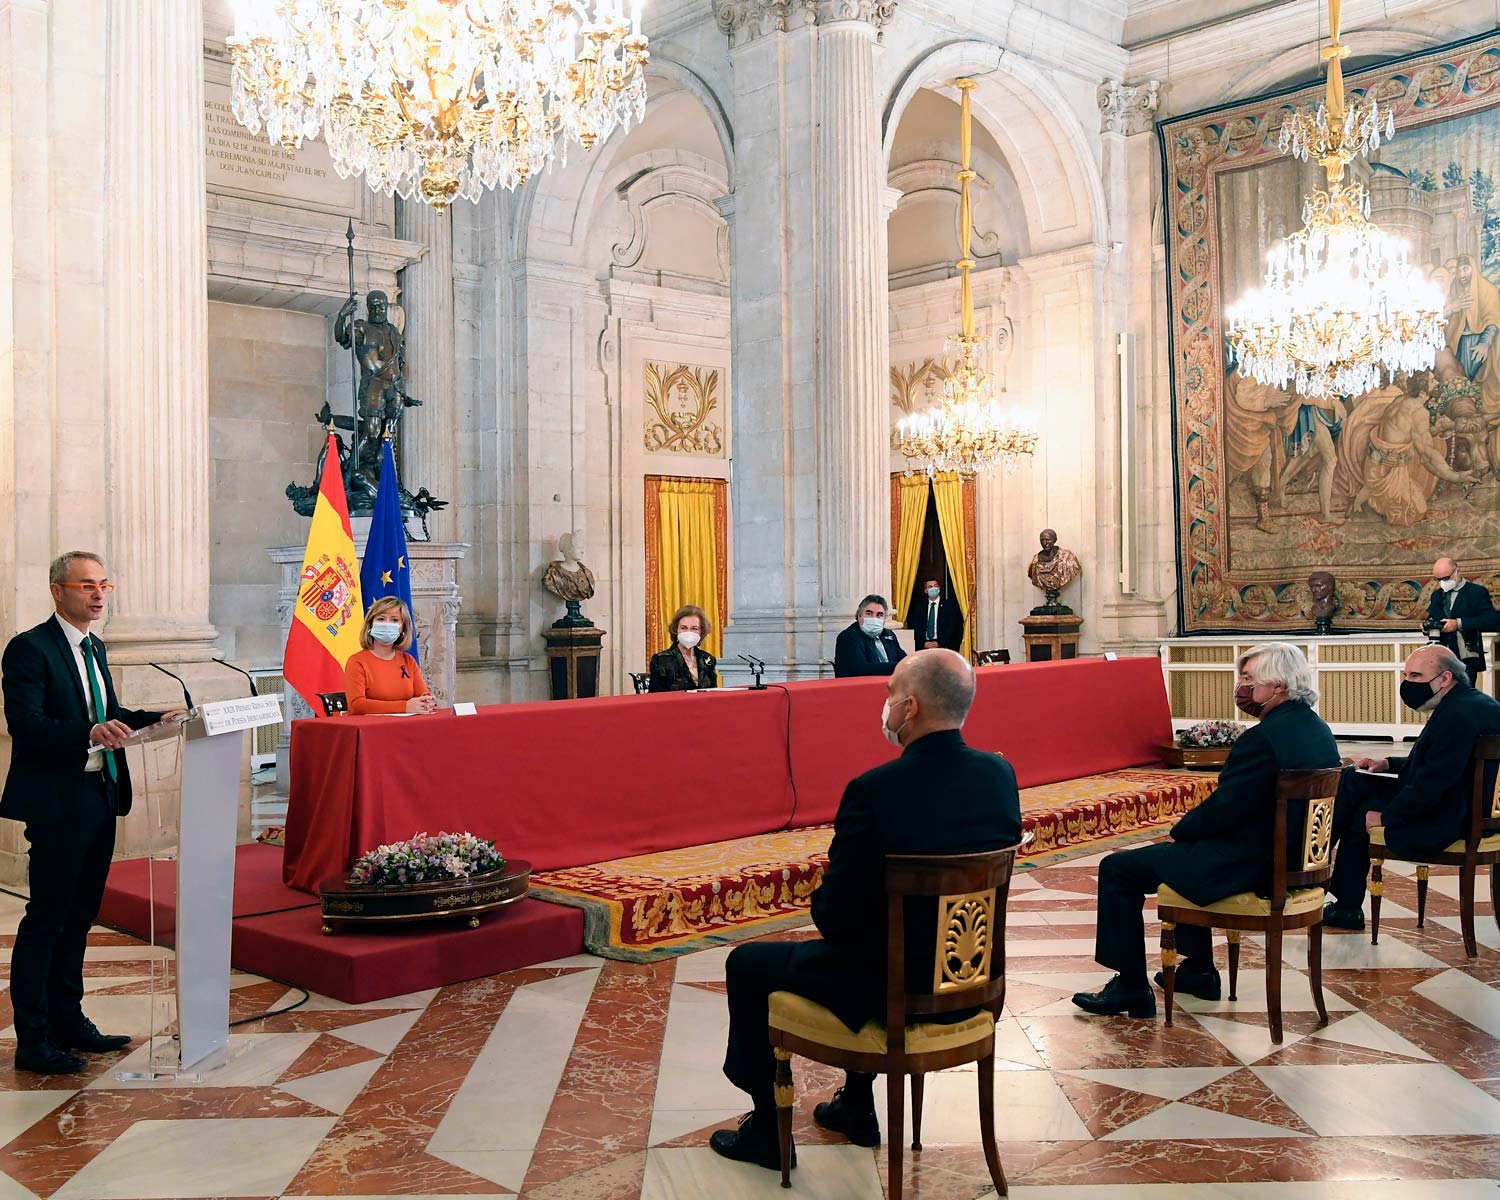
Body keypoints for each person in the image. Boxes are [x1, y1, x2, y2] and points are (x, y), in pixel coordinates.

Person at [711, 650, 1021, 1169]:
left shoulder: (874, 790)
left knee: (747, 964)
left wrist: (823, 895)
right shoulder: (998, 775)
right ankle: (856, 1105)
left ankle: (767, 1129)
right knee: (875, 941)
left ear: (911, 706)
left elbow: (834, 918)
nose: (884, 705)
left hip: (888, 989)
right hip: (968, 983)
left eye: (889, 694)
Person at [1072, 642, 1339, 1018]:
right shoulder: (1317, 729)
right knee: (1181, 859)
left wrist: (1179, 831)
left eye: (1249, 679)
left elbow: (1225, 807)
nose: (1242, 687)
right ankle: (1197, 971)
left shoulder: (1261, 739)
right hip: (1295, 861)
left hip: (1254, 864)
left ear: (1277, 686)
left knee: (1119, 869)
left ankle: (1130, 986)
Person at [0, 551, 185, 1074]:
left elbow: (109, 716)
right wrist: (87, 733)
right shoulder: (29, 648)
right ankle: (34, 1039)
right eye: (86, 585)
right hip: (59, 799)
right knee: (47, 920)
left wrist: (159, 717)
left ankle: (70, 1019)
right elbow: (26, 723)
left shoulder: (94, 647)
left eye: (104, 584)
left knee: (80, 917)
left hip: (100, 793)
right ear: (58, 590)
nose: (98, 594)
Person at [1323, 644, 1500, 929]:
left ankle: (1313, 874)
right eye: (1406, 675)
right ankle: (1341, 899)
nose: (1408, 684)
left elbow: (1434, 781)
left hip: (1448, 818)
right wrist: (1388, 764)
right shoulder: (1473, 704)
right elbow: (1444, 761)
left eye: (1416, 676)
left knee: (1356, 802)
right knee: (1355, 780)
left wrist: (1387, 818)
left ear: (1445, 678)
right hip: (1465, 806)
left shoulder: (1457, 715)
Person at [343, 598, 436, 715]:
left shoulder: (408, 661)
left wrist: (427, 701)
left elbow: (423, 694)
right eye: (381, 619)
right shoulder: (357, 662)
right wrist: (404, 706)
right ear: (370, 625)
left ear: (403, 628)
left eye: (394, 620)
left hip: (407, 728)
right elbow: (356, 705)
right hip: (372, 729)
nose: (387, 624)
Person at [1425, 557, 1499, 686]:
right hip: (1441, 657)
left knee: (1465, 697)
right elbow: (1432, 617)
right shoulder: (1437, 595)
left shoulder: (1476, 592)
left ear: (1457, 571)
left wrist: (1458, 623)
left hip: (1466, 656)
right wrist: (1426, 626)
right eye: (1438, 579)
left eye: (1446, 578)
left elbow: (1491, 620)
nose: (1443, 582)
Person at [648, 604, 718, 692]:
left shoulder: (708, 659)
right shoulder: (661, 660)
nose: (688, 632)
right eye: (683, 628)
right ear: (676, 630)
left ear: (701, 632)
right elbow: (656, 696)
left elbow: (714, 692)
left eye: (694, 628)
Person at [833, 594, 906, 677]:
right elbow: (861, 669)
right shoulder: (848, 637)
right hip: (860, 686)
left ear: (884, 619)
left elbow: (905, 660)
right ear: (859, 616)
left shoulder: (888, 635)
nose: (874, 618)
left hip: (891, 684)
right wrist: (899, 667)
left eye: (879, 615)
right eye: (869, 613)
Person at [917, 576, 964, 653]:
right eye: (930, 587)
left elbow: (954, 628)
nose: (933, 588)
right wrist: (923, 643)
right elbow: (916, 627)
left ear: (939, 588)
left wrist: (939, 643)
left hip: (944, 647)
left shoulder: (949, 606)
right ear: (926, 590)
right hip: (924, 647)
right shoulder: (919, 607)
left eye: (935, 586)